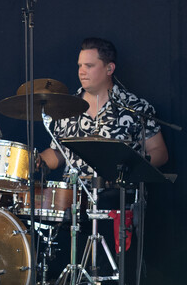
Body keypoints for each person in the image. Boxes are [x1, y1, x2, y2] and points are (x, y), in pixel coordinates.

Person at [37, 38, 168, 254]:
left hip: (117, 200)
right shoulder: (66, 107)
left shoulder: (135, 107)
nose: (82, 71)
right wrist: (37, 161)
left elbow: (159, 152)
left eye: (89, 65)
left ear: (109, 68)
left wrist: (129, 168)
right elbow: (58, 154)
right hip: (74, 203)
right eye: (80, 65)